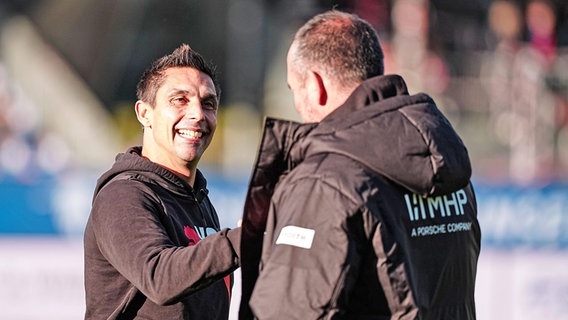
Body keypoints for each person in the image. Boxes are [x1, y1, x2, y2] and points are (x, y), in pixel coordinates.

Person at [239, 10, 480, 320]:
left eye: (293, 90)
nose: (297, 106)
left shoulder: (325, 181)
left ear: (315, 86)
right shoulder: (451, 170)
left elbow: (289, 312)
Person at [84, 44, 240, 319]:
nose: (198, 115)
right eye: (180, 100)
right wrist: (242, 240)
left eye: (208, 103)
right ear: (144, 114)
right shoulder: (124, 194)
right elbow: (160, 277)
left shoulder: (198, 199)